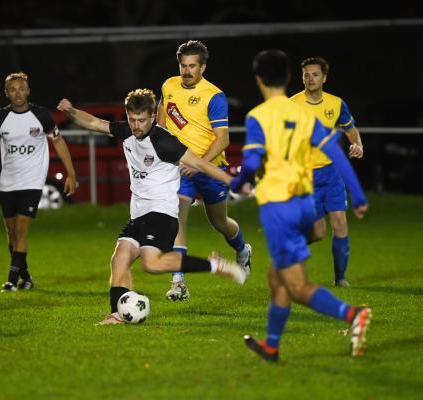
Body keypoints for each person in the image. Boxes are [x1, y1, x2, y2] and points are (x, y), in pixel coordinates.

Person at [57, 89, 247, 325]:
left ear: (153, 117)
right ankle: (118, 314)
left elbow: (200, 164)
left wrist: (234, 182)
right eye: (132, 119)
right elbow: (95, 123)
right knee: (119, 259)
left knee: (152, 263)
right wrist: (72, 111)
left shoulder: (164, 141)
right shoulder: (127, 130)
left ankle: (214, 265)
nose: (136, 125)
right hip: (138, 214)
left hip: (162, 213)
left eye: (142, 120)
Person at [230, 50, 371, 361]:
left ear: (258, 79)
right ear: (289, 78)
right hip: (304, 202)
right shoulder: (304, 115)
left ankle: (352, 315)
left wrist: (238, 183)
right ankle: (272, 344)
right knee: (276, 276)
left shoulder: (259, 116)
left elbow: (252, 160)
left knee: (296, 284)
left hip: (279, 208)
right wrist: (358, 196)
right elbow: (336, 153)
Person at [156, 40, 251, 301]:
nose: (186, 71)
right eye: (183, 66)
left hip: (211, 168)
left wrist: (198, 162)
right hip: (179, 169)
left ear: (203, 67)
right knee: (177, 216)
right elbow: (161, 119)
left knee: (220, 222)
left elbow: (223, 139)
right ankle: (178, 282)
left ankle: (243, 250)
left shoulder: (214, 96)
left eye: (192, 67)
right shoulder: (169, 85)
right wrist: (166, 149)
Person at [0, 72, 76, 292]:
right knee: (11, 235)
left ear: (28, 91)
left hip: (32, 181)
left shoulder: (42, 116)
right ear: (7, 93)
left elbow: (59, 143)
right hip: (8, 182)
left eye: (22, 88)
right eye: (13, 89)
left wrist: (71, 174)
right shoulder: (0, 118)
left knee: (21, 230)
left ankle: (11, 280)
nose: (18, 93)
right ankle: (26, 276)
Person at [290, 57, 364, 287]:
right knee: (318, 232)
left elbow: (350, 129)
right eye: (306, 75)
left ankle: (340, 278)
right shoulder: (292, 104)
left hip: (331, 173)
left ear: (324, 78)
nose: (309, 79)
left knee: (340, 222)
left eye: (314, 74)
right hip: (305, 176)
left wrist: (358, 144)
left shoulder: (336, 104)